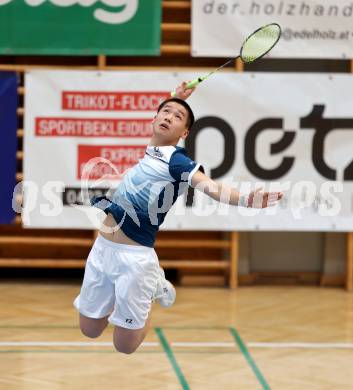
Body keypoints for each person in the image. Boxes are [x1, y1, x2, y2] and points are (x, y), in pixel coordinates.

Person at [73, 82, 284, 354]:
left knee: (124, 346)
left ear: (184, 133)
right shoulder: (153, 148)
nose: (168, 117)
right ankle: (137, 291)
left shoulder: (177, 161)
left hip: (135, 260)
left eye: (177, 117)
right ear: (154, 119)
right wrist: (176, 98)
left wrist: (245, 200)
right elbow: (165, 117)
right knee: (89, 330)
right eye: (165, 112)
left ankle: (151, 288)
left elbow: (210, 186)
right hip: (103, 250)